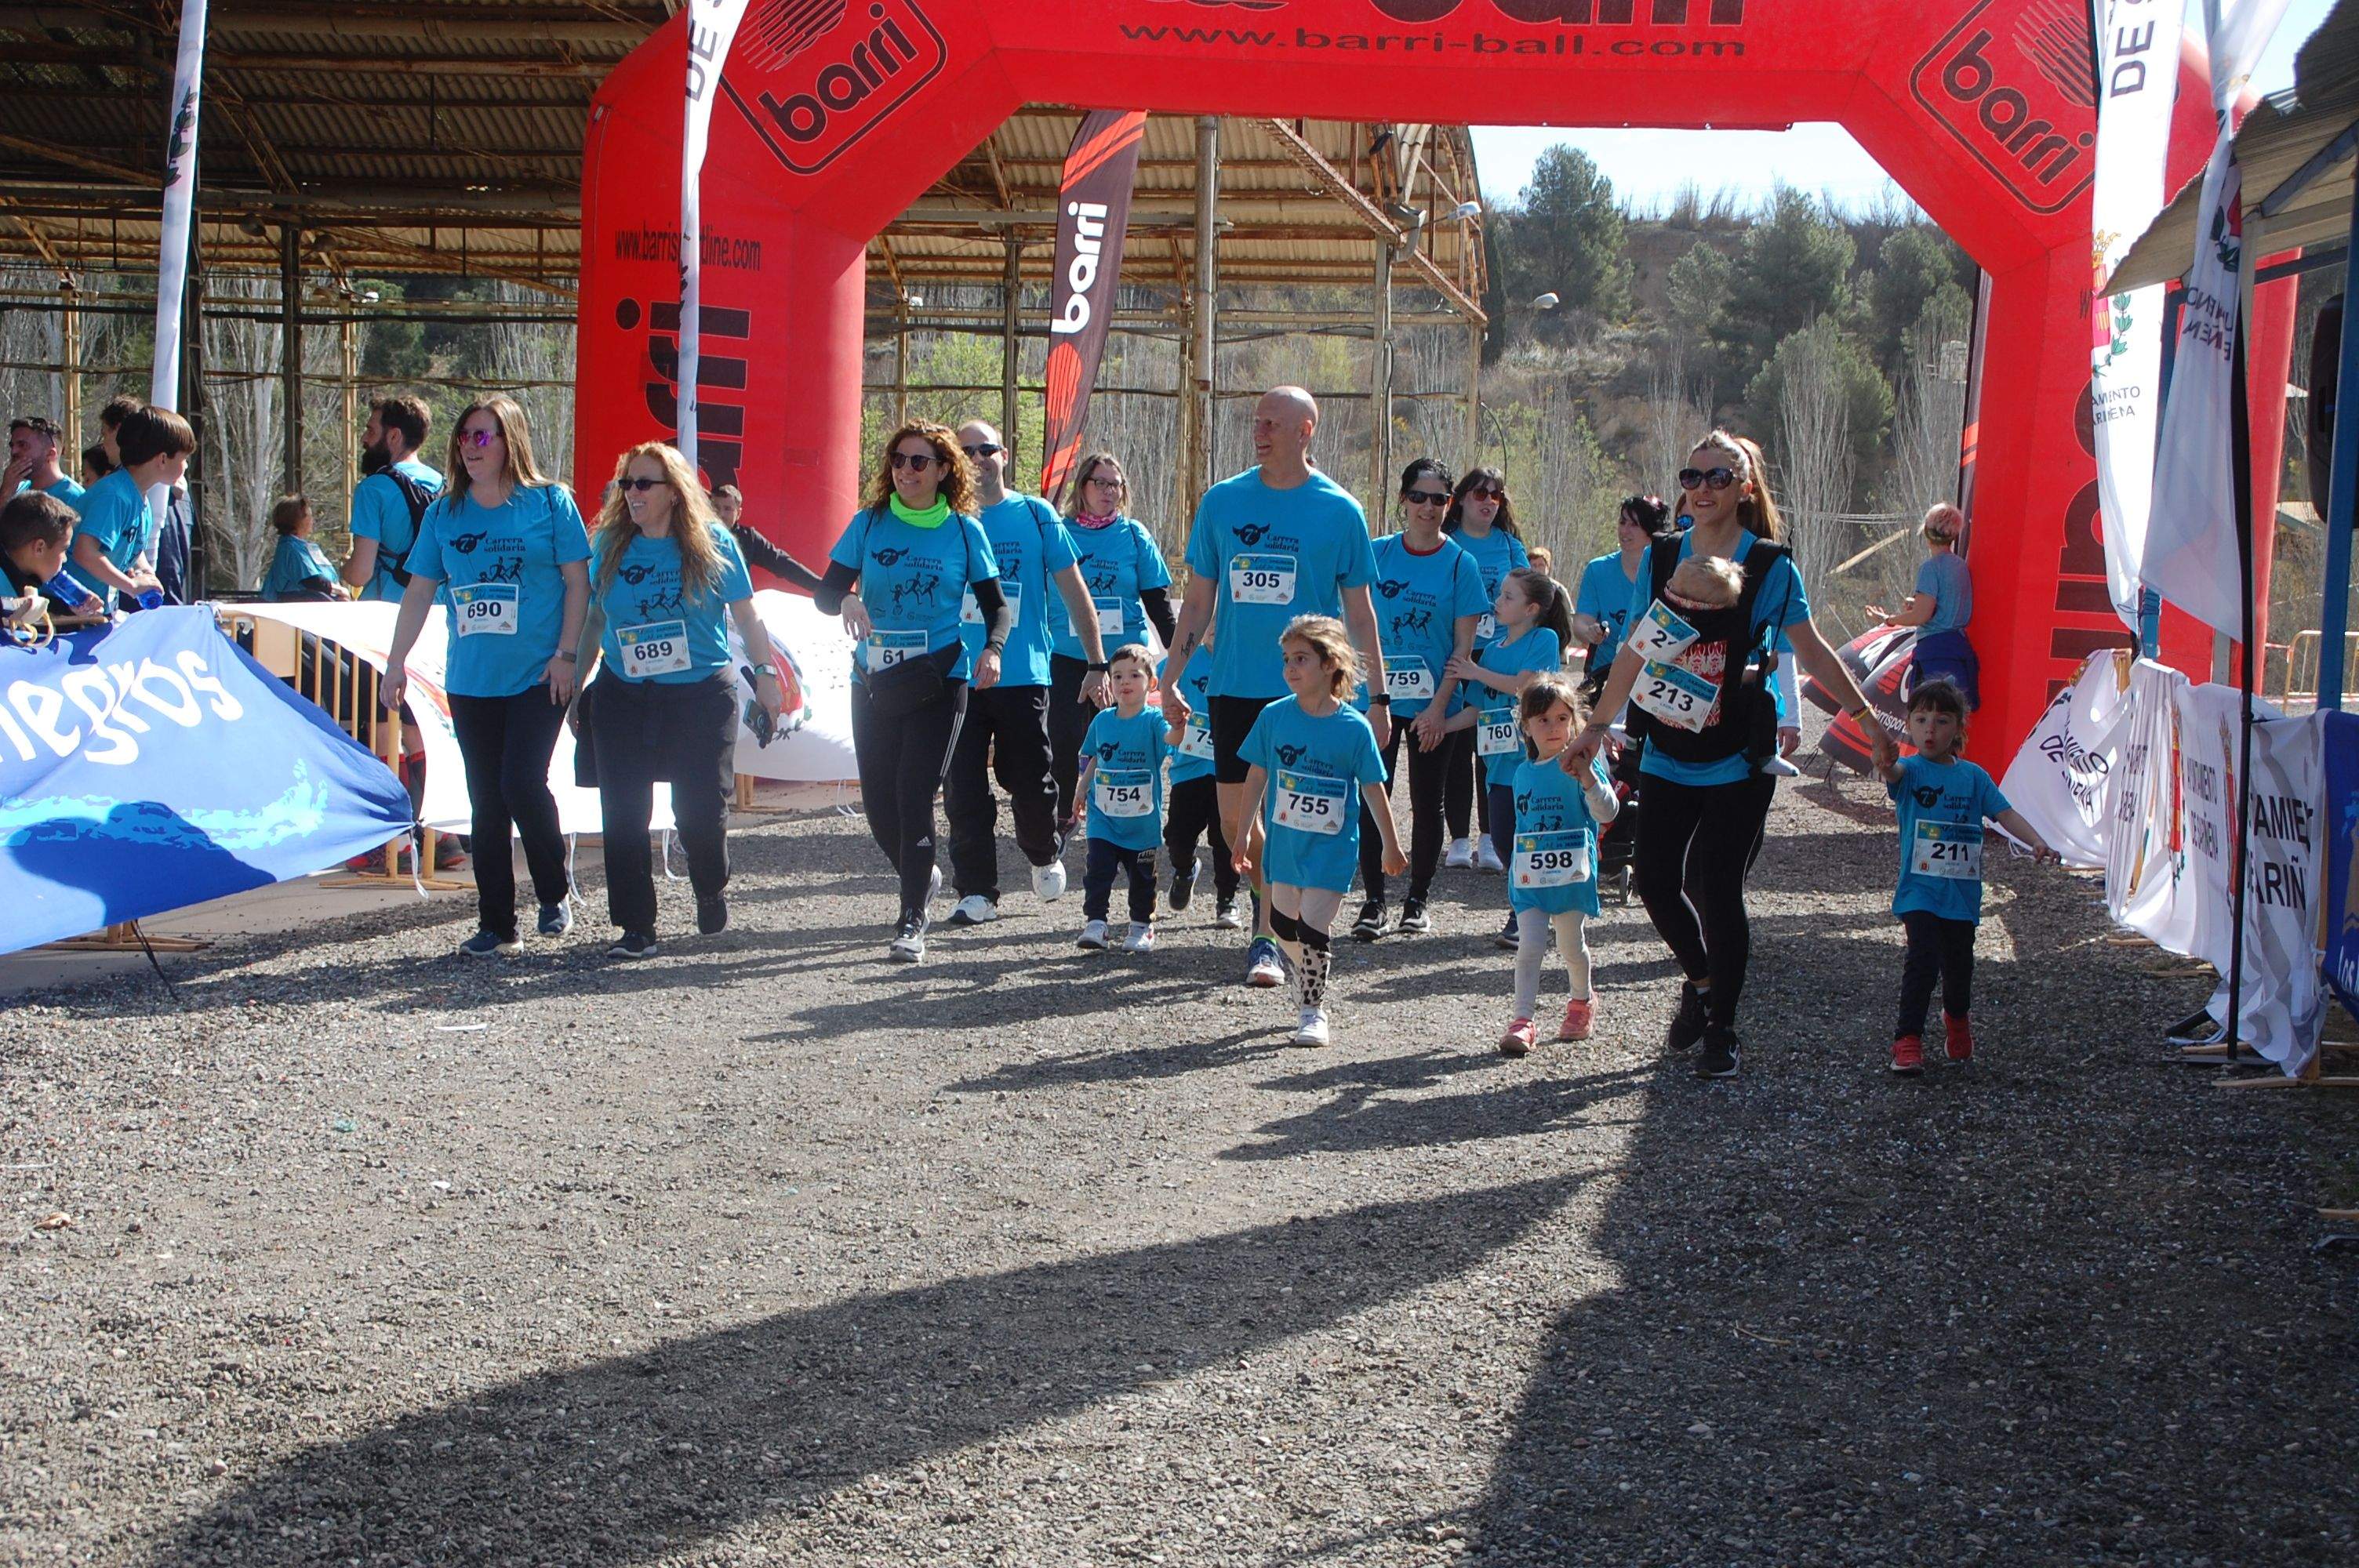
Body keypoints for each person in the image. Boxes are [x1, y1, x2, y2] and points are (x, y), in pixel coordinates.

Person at [1563, 429, 1896, 1080]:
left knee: (1717, 888)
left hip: (1739, 751)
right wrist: (1596, 725)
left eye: (1720, 478)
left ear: (1746, 489)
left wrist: (1866, 719)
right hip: (1667, 745)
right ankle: (1704, 982)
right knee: (1655, 880)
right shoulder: (1662, 559)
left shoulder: (1771, 566)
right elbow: (1634, 648)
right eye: (1694, 476)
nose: (1705, 488)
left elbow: (1816, 650)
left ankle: (1722, 1029)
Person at [1161, 387, 1390, 990]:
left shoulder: (1339, 509)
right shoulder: (1223, 502)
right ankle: (1280, 915)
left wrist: (1379, 697)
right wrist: (1169, 676)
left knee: (1295, 818)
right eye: (1256, 420)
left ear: (1306, 430)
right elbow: (1198, 602)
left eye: (1273, 421)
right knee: (1241, 824)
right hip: (1235, 686)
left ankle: (1267, 937)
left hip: (1310, 696)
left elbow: (1361, 613)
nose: (1259, 430)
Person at [381, 394, 591, 958]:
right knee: (486, 801)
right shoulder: (444, 512)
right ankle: (497, 922)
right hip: (472, 680)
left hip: (537, 675)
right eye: (464, 436)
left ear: (510, 442)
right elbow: (420, 590)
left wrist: (567, 655)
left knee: (521, 782)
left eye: (483, 436)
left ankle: (553, 890)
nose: (470, 447)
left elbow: (578, 583)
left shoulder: (549, 504)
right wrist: (395, 663)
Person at [570, 441, 786, 958]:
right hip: (624, 693)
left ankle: (709, 883)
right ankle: (636, 927)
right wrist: (574, 683)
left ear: (673, 492)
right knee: (623, 813)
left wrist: (765, 675)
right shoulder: (609, 547)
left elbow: (747, 617)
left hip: (699, 696)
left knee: (699, 815)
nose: (633, 494)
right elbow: (595, 619)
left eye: (644, 484)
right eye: (627, 484)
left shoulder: (712, 542)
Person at [813, 419, 1007, 964]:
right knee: (878, 805)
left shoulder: (965, 531)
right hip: (873, 679)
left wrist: (992, 650)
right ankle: (922, 876)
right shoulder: (870, 524)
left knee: (913, 792)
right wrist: (845, 601)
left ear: (944, 469)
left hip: (940, 680)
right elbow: (827, 592)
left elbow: (997, 606)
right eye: (898, 460)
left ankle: (910, 921)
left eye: (919, 462)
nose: (906, 471)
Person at [943, 420, 1107, 925]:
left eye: (986, 449)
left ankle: (1042, 851)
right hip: (958, 676)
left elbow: (1075, 589)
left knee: (1031, 780)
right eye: (965, 450)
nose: (977, 458)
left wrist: (1097, 661)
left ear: (1004, 455)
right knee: (963, 786)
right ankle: (978, 891)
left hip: (1024, 672)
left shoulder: (1035, 515)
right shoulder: (943, 519)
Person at [1230, 615, 1406, 1047]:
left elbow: (1372, 788)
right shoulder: (1273, 716)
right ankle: (1308, 970)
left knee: (1313, 927)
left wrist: (1391, 843)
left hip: (1331, 849)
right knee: (1282, 925)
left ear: (1331, 664)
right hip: (1285, 846)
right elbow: (1256, 775)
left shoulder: (1354, 728)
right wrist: (1243, 830)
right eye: (1287, 659)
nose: (1290, 668)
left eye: (1302, 659)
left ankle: (1312, 1009)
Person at [1875, 678, 2056, 1073]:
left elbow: (2004, 813)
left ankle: (1956, 1018)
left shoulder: (1974, 777)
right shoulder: (1911, 771)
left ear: (1958, 728)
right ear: (1909, 723)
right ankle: (1907, 1040)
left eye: (1941, 721)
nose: (1929, 729)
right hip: (1918, 892)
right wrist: (1885, 761)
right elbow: (1893, 774)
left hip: (1961, 897)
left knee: (1959, 970)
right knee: (1921, 960)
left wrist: (2036, 842)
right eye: (1921, 719)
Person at [1351, 457, 1487, 941]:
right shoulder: (1377, 553)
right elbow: (1359, 627)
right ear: (1403, 500)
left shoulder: (1460, 565)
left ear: (1449, 504)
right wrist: (1374, 697)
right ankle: (1372, 901)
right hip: (1379, 698)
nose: (1428, 508)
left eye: (1438, 499)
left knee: (1428, 801)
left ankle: (1417, 900)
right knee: (1373, 795)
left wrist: (1437, 708)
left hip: (1437, 704)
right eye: (1419, 497)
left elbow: (1463, 649)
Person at [1444, 566, 1571, 948]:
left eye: (1507, 597)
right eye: (1500, 595)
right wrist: (1437, 726)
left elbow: (1526, 686)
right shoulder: (1490, 651)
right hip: (1495, 765)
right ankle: (1530, 911)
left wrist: (1475, 671)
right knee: (1502, 842)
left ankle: (1525, 917)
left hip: (1530, 764)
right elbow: (1476, 711)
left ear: (1532, 609)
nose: (1497, 603)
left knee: (1527, 841)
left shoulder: (1543, 639)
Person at [1048, 452, 1173, 830]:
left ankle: (1124, 818)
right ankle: (1066, 816)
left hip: (1125, 661)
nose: (1108, 491)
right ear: (1082, 487)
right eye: (1099, 483)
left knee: (1125, 740)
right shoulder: (1058, 532)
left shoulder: (1134, 536)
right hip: (1070, 657)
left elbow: (1159, 603)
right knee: (1067, 739)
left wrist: (1187, 657)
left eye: (1115, 484)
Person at [1499, 674, 1622, 1056]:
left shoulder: (1581, 766)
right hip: (1532, 878)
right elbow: (1522, 827)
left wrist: (1587, 778)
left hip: (1571, 875)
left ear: (1575, 722)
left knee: (1571, 944)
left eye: (1561, 718)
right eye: (1543, 720)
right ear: (1526, 726)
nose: (1553, 728)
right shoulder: (1522, 774)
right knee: (1529, 947)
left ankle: (1581, 1001)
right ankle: (1522, 1020)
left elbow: (1608, 812)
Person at [1441, 465, 1528, 872]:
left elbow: (1532, 596)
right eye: (1480, 494)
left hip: (1497, 660)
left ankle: (1490, 836)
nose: (1489, 501)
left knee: (1492, 748)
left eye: (1496, 494)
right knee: (1456, 748)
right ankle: (1458, 838)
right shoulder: (1448, 543)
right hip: (1458, 656)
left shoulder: (1510, 546)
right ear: (1460, 500)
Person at [1073, 644, 1186, 952]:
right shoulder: (1103, 721)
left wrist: (1179, 725)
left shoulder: (1152, 721)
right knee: (1098, 870)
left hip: (1141, 824)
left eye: (1134, 675)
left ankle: (1141, 926)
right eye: (1118, 676)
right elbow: (1095, 757)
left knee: (1142, 879)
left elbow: (1170, 741)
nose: (1125, 682)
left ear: (1151, 683)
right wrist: (1082, 788)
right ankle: (1096, 923)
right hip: (1104, 819)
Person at [65, 405, 190, 612]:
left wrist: (144, 570)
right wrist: (131, 586)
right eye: (183, 458)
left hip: (94, 612)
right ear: (162, 459)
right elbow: (84, 552)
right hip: (68, 611)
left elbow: (132, 545)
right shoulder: (114, 495)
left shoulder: (139, 497)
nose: (185, 466)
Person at [1160, 631, 1241, 927]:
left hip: (1229, 770)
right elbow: (1161, 683)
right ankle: (1185, 870)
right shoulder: (1185, 661)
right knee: (1178, 837)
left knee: (1226, 838)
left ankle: (1227, 900)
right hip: (1189, 767)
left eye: (1223, 620)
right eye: (1210, 621)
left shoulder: (1240, 660)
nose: (1215, 628)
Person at [1871, 503, 1979, 708]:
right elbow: (1948, 604)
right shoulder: (1961, 566)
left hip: (1935, 653)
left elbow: (1921, 616)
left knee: (1929, 717)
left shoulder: (1930, 568)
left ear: (1928, 533)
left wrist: (1889, 620)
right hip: (1959, 650)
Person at [343, 395, 444, 604]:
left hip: (386, 613)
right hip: (436, 609)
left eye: (371, 430)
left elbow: (360, 574)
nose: (364, 438)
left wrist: (344, 568)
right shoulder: (445, 486)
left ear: (394, 436)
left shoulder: (373, 489)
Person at [1576, 495, 1670, 687]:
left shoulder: (1669, 572)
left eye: (1634, 525)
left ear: (1653, 531)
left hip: (1654, 678)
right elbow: (1580, 623)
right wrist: (1590, 632)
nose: (1624, 530)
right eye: (1622, 522)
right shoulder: (1597, 569)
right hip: (1605, 676)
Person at [1, 491, 103, 626]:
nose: (65, 559)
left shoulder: (21, 573)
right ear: (39, 548)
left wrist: (70, 609)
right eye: (64, 550)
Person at [711, 482, 829, 590]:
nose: (721, 514)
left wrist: (822, 587)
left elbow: (781, 563)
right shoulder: (697, 535)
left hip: (734, 607)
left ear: (738, 513)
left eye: (728, 509)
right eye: (715, 507)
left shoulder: (748, 538)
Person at [260, 495, 348, 601]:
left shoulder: (302, 546)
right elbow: (313, 581)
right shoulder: (291, 549)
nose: (312, 520)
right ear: (295, 520)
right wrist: (341, 591)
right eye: (308, 515)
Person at [6, 416, 85, 510]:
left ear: (50, 454)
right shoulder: (16, 490)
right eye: (12, 446)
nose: (13, 451)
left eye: (22, 445)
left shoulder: (74, 498)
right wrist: (5, 493)